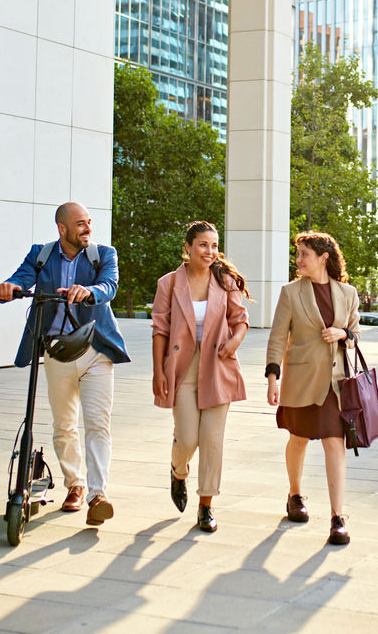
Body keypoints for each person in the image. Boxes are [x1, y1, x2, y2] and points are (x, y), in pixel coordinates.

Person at [0, 202, 128, 526]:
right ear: (62, 228)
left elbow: (108, 286)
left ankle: (98, 495)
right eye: (80, 224)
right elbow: (20, 279)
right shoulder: (41, 254)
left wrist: (89, 290)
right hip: (56, 351)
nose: (87, 228)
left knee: (98, 423)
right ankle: (75, 485)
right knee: (64, 425)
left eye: (89, 222)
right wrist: (8, 288)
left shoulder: (103, 254)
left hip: (95, 350)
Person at [151, 221, 250, 533]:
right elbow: (160, 330)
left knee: (212, 440)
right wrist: (158, 371)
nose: (210, 252)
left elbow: (240, 320)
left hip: (218, 366)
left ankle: (206, 505)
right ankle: (178, 471)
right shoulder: (168, 283)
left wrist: (234, 342)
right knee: (188, 438)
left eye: (214, 245)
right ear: (188, 248)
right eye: (203, 245)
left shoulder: (225, 282)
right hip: (182, 369)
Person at [265, 231, 360, 546]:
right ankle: (294, 494)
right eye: (298, 253)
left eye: (305, 253)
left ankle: (337, 517)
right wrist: (272, 377)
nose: (299, 259)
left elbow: (356, 335)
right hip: (301, 381)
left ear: (323, 257)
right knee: (299, 439)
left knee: (335, 444)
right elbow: (278, 337)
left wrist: (342, 332)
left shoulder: (347, 293)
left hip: (335, 384)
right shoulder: (291, 292)